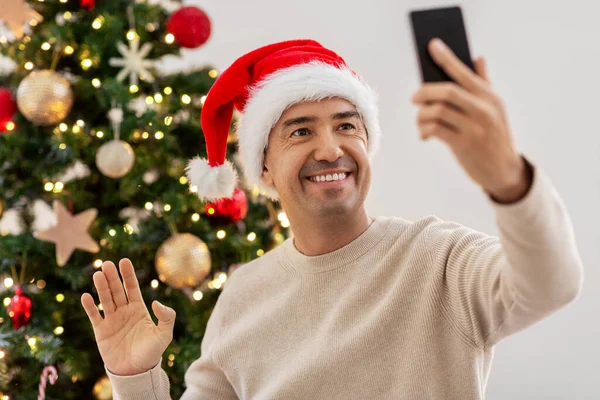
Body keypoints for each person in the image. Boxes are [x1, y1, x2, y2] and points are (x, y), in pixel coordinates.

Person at [80, 38, 584, 399]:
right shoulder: (244, 294)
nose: (330, 148)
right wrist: (135, 378)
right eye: (300, 132)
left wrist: (508, 179)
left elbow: (550, 285)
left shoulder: (439, 259)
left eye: (347, 125)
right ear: (265, 169)